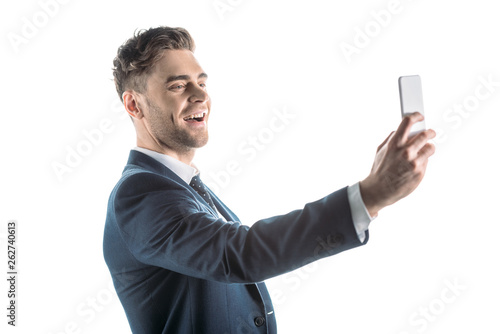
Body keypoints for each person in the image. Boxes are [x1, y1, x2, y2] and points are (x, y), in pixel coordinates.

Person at [103, 26, 436, 333]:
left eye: (201, 82)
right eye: (178, 85)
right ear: (134, 105)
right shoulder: (140, 193)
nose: (200, 95)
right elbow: (241, 254)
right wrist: (370, 195)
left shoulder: (183, 188)